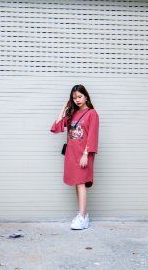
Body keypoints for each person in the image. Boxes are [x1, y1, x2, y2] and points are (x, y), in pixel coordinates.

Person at [50, 84, 99, 230]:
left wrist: (86, 154)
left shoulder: (92, 113)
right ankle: (82, 214)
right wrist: (65, 106)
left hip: (83, 154)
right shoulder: (72, 114)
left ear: (86, 97)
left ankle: (83, 218)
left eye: (79, 97)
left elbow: (92, 135)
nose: (77, 100)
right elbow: (57, 125)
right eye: (74, 98)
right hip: (71, 155)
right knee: (76, 184)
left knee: (81, 183)